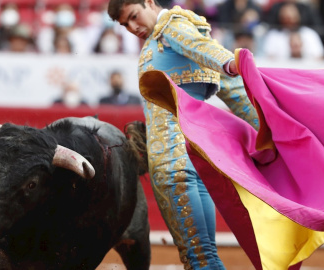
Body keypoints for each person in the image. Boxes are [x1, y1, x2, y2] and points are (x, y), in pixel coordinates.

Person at [107, 0, 259, 269]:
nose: (133, 27)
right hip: (196, 162)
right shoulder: (172, 33)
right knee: (205, 254)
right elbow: (236, 94)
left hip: (172, 165)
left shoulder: (170, 28)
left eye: (134, 16)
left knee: (198, 258)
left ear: (150, 3)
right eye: (125, 25)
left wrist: (230, 63)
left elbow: (202, 49)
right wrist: (269, 129)